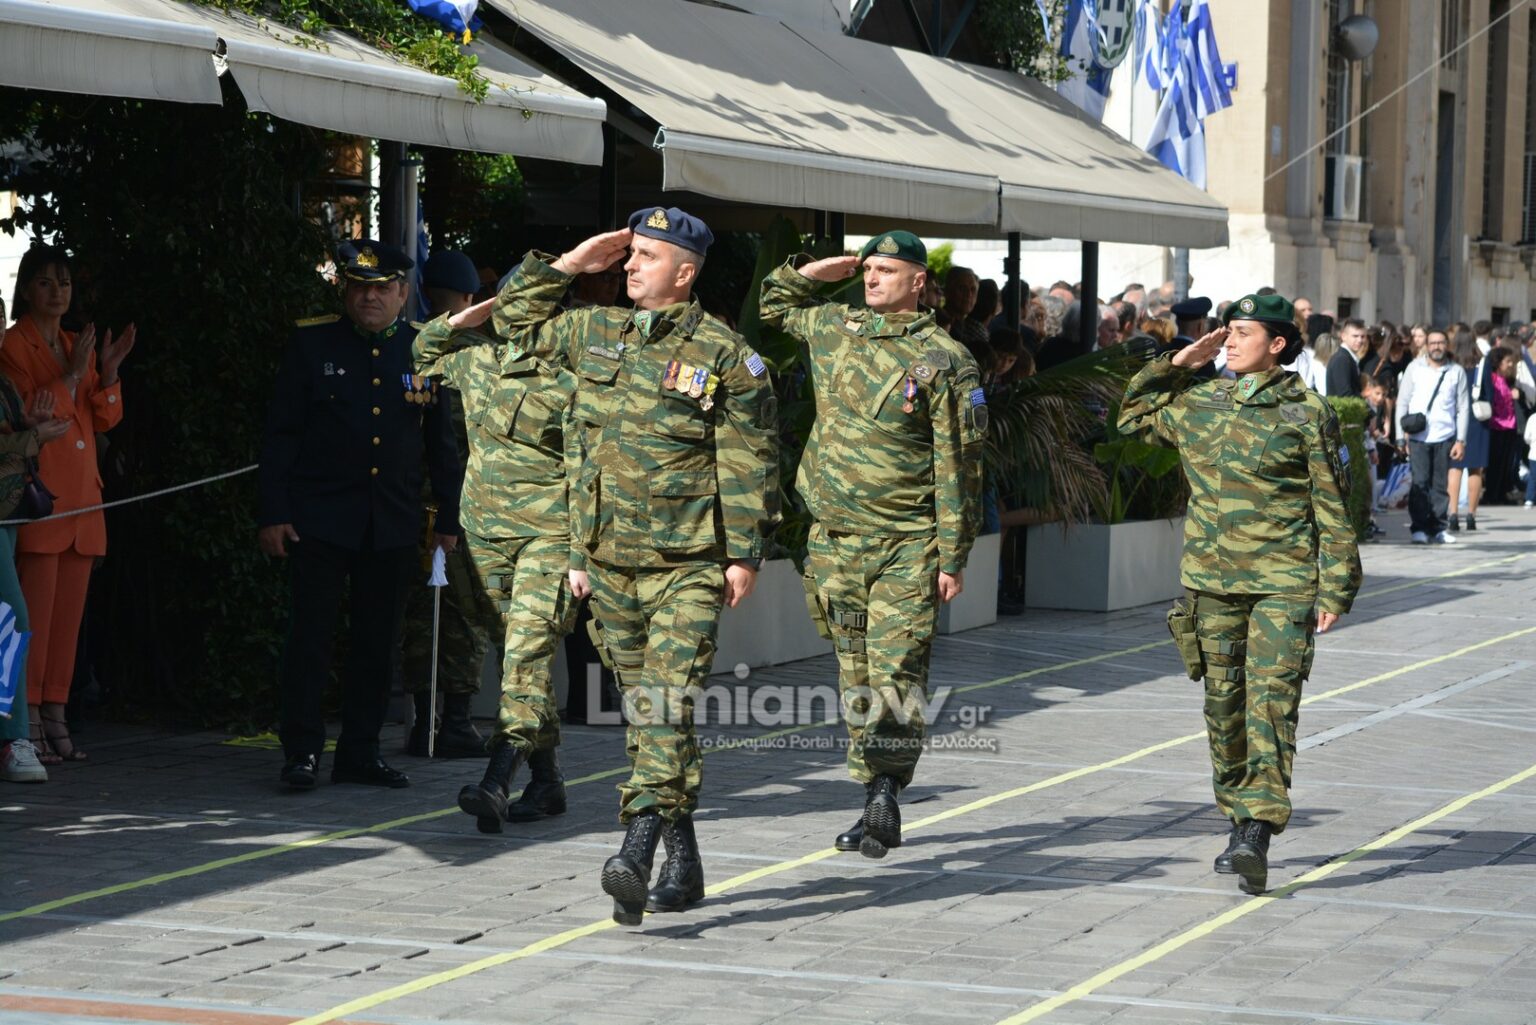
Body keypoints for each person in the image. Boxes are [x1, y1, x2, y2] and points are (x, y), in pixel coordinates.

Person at [444, 208, 779, 925]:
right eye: (630, 255)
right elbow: (513, 322)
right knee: (649, 714)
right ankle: (685, 863)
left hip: (687, 561)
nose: (630, 266)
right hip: (608, 561)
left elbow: (750, 458)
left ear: (684, 273)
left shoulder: (728, 356)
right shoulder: (595, 332)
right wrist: (571, 263)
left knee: (665, 702)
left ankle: (637, 848)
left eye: (647, 257)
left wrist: (743, 553)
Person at [1118, 292, 1361, 897]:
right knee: (1224, 707)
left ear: (1277, 344)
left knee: (1270, 706)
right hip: (1211, 585)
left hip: (1283, 585)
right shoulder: (1203, 401)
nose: (1228, 339)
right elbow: (1131, 417)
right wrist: (1179, 363)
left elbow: (1333, 505)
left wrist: (1336, 586)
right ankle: (1237, 819)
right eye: (1226, 330)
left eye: (1242, 332)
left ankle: (1256, 828)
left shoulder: (1306, 413)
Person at [760, 230, 985, 862]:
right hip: (835, 542)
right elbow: (774, 305)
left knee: (897, 671)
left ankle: (886, 787)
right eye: (869, 269)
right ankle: (871, 795)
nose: (873, 278)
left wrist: (953, 554)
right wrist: (819, 270)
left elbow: (960, 464)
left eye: (887, 269)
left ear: (918, 280)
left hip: (905, 545)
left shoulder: (946, 360)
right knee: (854, 672)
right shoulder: (836, 328)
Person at [258, 239, 462, 791]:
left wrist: (447, 518)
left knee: (377, 642)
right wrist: (274, 512)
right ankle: (302, 751)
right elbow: (281, 435)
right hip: (319, 518)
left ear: (402, 292)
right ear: (345, 291)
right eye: (359, 288)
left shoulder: (424, 348)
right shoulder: (312, 343)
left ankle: (360, 752)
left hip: (390, 519)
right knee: (311, 639)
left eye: (382, 289)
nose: (369, 298)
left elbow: (442, 444)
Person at [410, 251, 582, 828]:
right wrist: (471, 315)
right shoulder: (478, 360)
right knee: (519, 661)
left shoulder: (576, 378)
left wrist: (582, 554)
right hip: (486, 539)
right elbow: (422, 351)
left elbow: (591, 472)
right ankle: (548, 781)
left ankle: (497, 778)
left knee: (526, 656)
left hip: (548, 538)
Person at [1, 246, 135, 763]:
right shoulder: (15, 344)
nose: (57, 292)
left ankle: (56, 710)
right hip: (39, 497)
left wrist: (110, 372)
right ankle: (27, 717)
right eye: (45, 282)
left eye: (64, 283)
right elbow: (29, 415)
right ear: (26, 289)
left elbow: (103, 419)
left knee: (68, 621)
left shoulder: (78, 342)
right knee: (29, 617)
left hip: (83, 498)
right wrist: (74, 377)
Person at [399, 250, 496, 759]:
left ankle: (424, 723)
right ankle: (455, 721)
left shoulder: (408, 348)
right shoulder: (485, 356)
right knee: (465, 615)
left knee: (421, 616)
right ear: (471, 297)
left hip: (409, 502)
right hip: (467, 506)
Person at [0, 295, 73, 783]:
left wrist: (29, 425)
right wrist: (33, 438)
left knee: (6, 620)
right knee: (14, 618)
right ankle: (14, 738)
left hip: (7, 515)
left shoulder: (5, 383)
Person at [1397, 329, 1468, 544]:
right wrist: (1400, 436)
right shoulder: (1414, 368)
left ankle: (1438, 527)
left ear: (1447, 345)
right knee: (1419, 483)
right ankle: (1419, 528)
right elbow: (1402, 401)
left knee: (1439, 485)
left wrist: (1461, 440)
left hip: (1445, 435)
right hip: (1418, 437)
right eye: (1433, 343)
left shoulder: (1456, 371)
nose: (1437, 346)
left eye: (1441, 342)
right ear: (1426, 346)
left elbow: (1463, 407)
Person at [1447, 333, 1488, 532]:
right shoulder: (1482, 365)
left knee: (1455, 467)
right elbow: (1490, 394)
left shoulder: (1451, 366)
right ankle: (1471, 515)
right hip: (1478, 421)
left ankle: (1453, 514)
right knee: (1475, 469)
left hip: (1455, 419)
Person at [1326, 318, 1367, 398]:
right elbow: (1345, 394)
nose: (1360, 340)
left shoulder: (1347, 357)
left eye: (1362, 336)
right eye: (1355, 336)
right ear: (1343, 336)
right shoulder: (1341, 359)